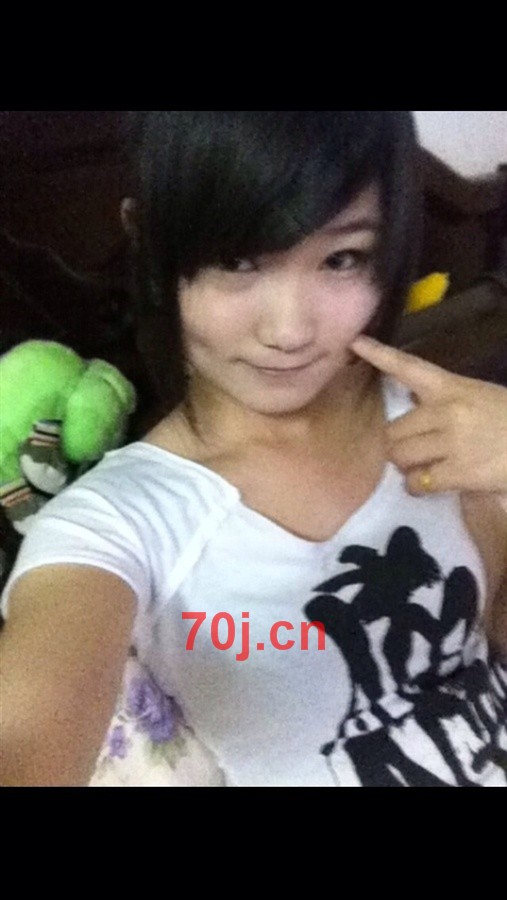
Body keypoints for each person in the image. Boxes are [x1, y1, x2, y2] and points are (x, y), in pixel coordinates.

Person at [1, 111, 507, 787]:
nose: (289, 330)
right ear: (149, 242)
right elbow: (28, 735)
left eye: (342, 258)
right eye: (238, 261)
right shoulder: (116, 523)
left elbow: (489, 637)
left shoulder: (442, 419)